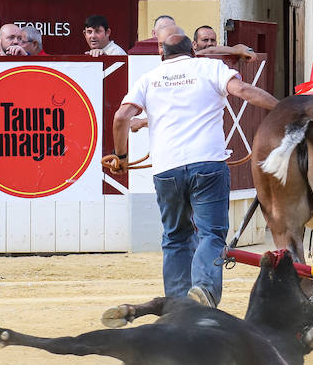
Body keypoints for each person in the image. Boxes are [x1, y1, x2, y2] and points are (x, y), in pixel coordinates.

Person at [105, 31, 278, 306]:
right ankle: (204, 290)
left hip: (166, 169)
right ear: (193, 51)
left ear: (163, 54)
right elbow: (244, 91)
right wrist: (281, 108)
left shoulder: (149, 78)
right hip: (207, 164)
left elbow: (121, 116)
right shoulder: (210, 67)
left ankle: (176, 303)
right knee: (210, 233)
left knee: (175, 236)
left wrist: (121, 156)